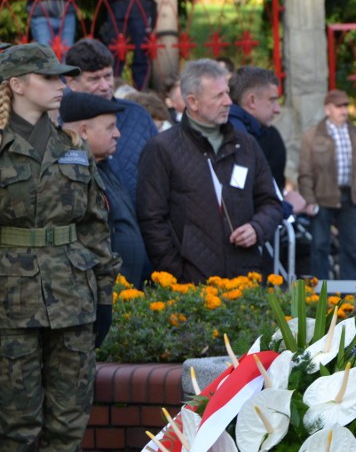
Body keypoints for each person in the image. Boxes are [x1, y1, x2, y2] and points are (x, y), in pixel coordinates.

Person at [0, 43, 120, 452]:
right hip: (9, 305)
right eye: (48, 77)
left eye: (61, 76)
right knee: (16, 426)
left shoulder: (72, 144)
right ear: (16, 85)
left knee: (69, 423)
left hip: (72, 299)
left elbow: (94, 227)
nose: (60, 84)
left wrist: (104, 296)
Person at [136, 59, 284, 283]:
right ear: (193, 102)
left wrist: (257, 228)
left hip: (245, 281)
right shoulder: (162, 148)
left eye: (227, 93)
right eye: (218, 96)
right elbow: (151, 219)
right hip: (190, 286)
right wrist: (175, 274)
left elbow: (272, 202)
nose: (228, 102)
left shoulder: (246, 144)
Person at [60, 91, 152, 289]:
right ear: (84, 131)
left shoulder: (104, 166)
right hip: (101, 291)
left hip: (125, 290)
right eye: (110, 127)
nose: (118, 133)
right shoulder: (72, 174)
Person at [65, 38, 158, 203]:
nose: (105, 86)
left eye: (108, 76)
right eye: (94, 79)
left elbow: (162, 173)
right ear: (72, 82)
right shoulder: (61, 122)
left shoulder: (137, 116)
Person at [298, 90, 356, 280]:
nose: (343, 110)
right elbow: (305, 171)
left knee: (352, 247)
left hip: (352, 196)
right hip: (322, 197)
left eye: (345, 106)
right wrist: (309, 199)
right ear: (327, 109)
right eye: (338, 106)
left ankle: (350, 294)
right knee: (320, 245)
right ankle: (321, 292)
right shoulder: (312, 135)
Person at [228, 65, 306, 214]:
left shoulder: (250, 131)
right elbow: (241, 197)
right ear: (252, 100)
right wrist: (286, 207)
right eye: (272, 100)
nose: (277, 109)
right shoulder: (238, 136)